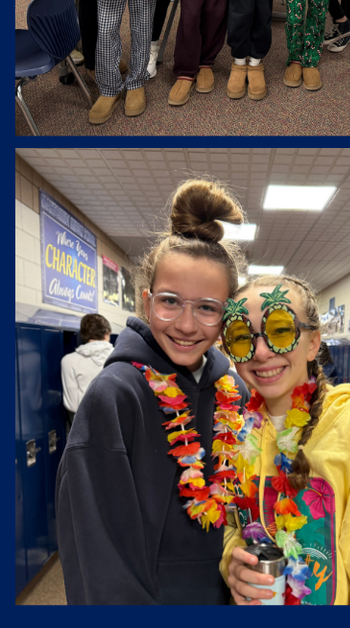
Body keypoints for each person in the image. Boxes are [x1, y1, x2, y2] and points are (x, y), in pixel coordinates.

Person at [55, 180, 250, 603]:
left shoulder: (231, 390)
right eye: (170, 301)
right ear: (146, 303)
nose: (185, 324)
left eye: (206, 308)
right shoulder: (115, 396)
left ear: (226, 315)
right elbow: (97, 552)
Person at [221, 275, 350, 604]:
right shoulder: (237, 435)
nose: (260, 351)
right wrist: (233, 560)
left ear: (313, 342)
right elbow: (228, 524)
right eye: (242, 337)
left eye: (281, 331)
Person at [61, 313, 114, 420]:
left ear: (83, 335)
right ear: (106, 334)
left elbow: (73, 405)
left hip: (84, 425)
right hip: (116, 422)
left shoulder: (68, 361)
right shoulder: (119, 356)